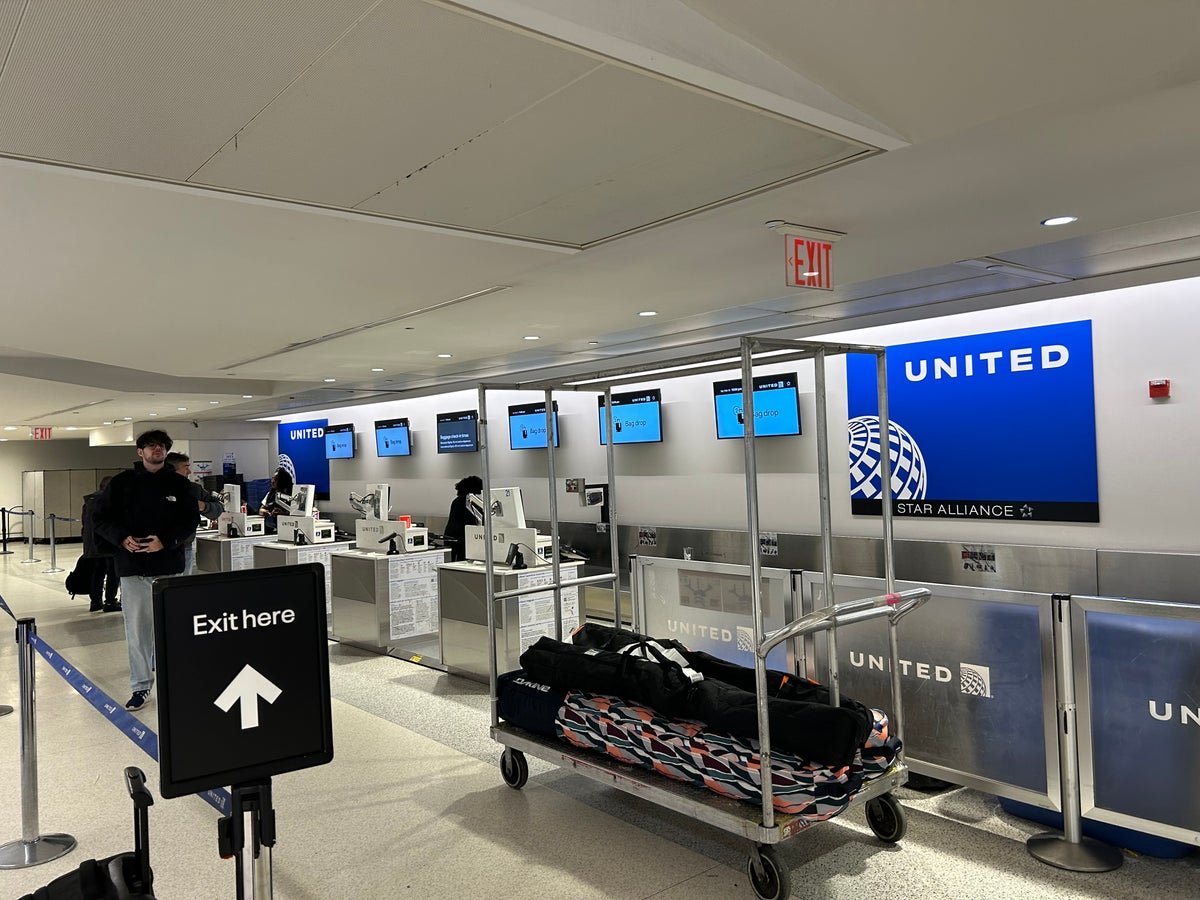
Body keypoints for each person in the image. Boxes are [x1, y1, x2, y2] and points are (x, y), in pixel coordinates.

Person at [92, 429, 200, 711]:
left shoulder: (180, 486)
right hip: (133, 569)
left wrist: (165, 541)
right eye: (151, 446)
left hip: (170, 568)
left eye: (162, 446)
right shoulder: (121, 484)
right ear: (140, 451)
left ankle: (175, 681)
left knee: (173, 628)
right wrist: (121, 538)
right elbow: (100, 519)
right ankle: (141, 686)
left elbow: (190, 522)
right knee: (138, 632)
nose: (157, 450)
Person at [165, 451, 224, 575]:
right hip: (161, 548)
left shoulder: (193, 489)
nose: (189, 472)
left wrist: (202, 506)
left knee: (182, 587)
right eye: (186, 467)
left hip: (185, 547)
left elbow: (217, 510)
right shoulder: (155, 488)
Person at [80, 475, 121, 613]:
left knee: (97, 573)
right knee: (112, 573)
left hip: (92, 544)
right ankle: (110, 601)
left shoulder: (89, 501)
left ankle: (95, 602)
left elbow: (85, 524)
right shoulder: (109, 501)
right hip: (107, 543)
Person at [444, 475, 483, 562]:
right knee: (462, 562)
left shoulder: (457, 500)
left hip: (451, 535)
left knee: (451, 562)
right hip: (462, 537)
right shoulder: (470, 501)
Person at [258, 467, 294, 533]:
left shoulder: (293, 495)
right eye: (273, 478)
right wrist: (267, 512)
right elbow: (261, 510)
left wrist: (284, 513)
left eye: (276, 479)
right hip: (275, 527)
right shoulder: (271, 494)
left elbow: (297, 514)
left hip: (290, 527)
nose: (273, 481)